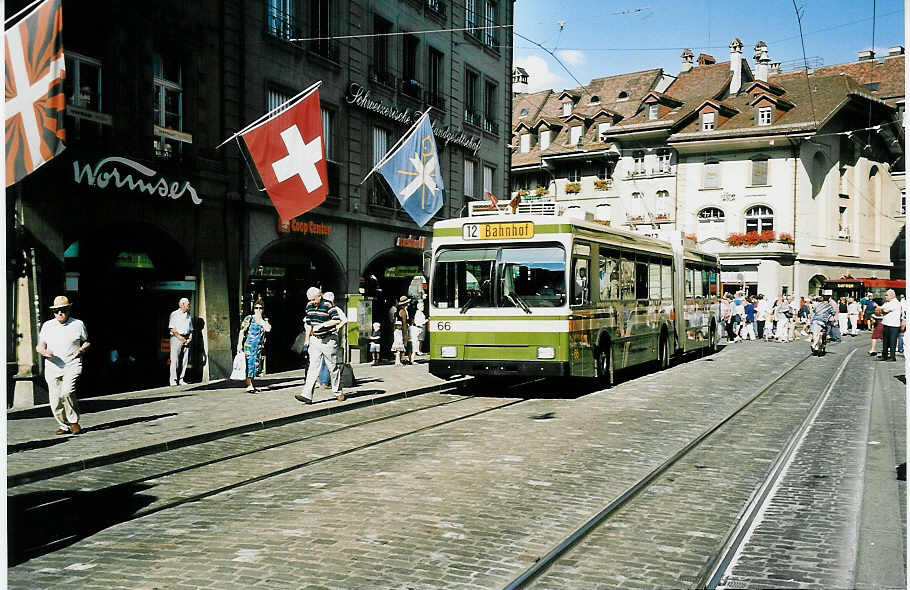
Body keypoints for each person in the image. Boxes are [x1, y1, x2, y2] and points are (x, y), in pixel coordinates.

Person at [36, 296, 89, 435]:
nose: (60, 313)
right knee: (55, 399)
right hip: (52, 366)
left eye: (63, 310)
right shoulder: (47, 326)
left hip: (72, 363)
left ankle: (73, 422)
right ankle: (64, 425)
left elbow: (87, 341)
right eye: (56, 311)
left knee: (67, 392)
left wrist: (82, 349)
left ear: (69, 310)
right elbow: (39, 347)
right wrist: (44, 352)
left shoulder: (78, 324)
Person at [296, 287, 346, 404]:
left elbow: (336, 320)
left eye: (313, 299)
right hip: (315, 340)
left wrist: (322, 325)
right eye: (310, 300)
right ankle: (307, 394)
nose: (312, 302)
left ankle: (337, 391)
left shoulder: (328, 305)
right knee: (313, 367)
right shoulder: (309, 306)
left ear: (320, 296)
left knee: (332, 367)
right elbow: (308, 323)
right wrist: (307, 339)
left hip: (328, 339)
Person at [236, 298, 272, 393]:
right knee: (249, 365)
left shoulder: (264, 320)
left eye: (260, 308)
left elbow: (268, 329)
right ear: (254, 309)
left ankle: (251, 384)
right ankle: (249, 385)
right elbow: (242, 331)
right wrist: (239, 344)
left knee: (255, 366)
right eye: (256, 308)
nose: (258, 310)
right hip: (249, 346)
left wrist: (261, 320)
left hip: (258, 348)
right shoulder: (249, 318)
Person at [168, 297, 193, 386]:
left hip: (186, 338)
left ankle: (181, 379)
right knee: (175, 360)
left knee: (184, 360)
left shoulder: (188, 315)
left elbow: (191, 329)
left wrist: (190, 337)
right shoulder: (174, 314)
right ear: (182, 305)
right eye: (188, 305)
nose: (189, 306)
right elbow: (172, 328)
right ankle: (173, 380)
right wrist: (180, 338)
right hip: (176, 338)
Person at [879, 289, 902, 362]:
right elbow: (880, 309)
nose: (885, 296)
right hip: (886, 323)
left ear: (892, 296)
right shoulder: (887, 302)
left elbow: (885, 310)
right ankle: (884, 355)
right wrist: (880, 309)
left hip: (893, 325)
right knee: (885, 341)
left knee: (892, 341)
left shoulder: (896, 303)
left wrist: (880, 309)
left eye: (886, 295)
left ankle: (892, 357)